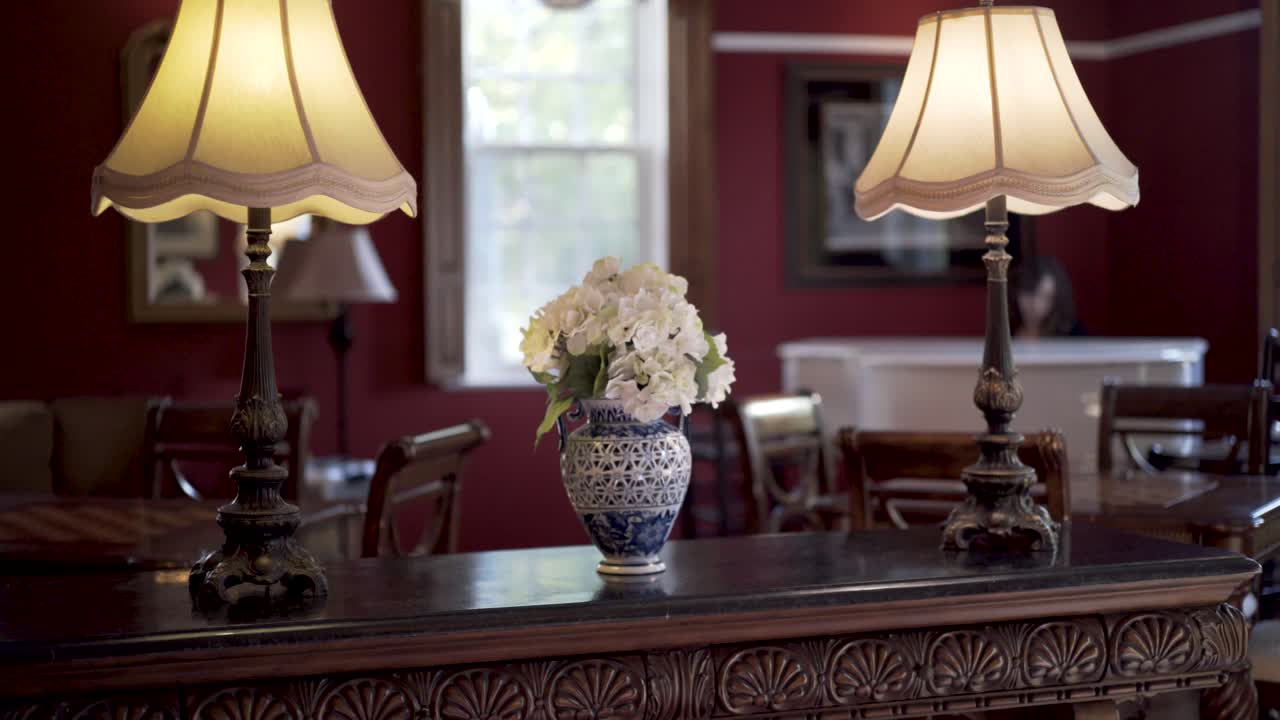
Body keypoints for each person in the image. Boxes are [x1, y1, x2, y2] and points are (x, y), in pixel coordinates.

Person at [1010, 256, 1085, 338]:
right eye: (1029, 294)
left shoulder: (1073, 335)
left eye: (1045, 297)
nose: (1035, 306)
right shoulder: (1006, 328)